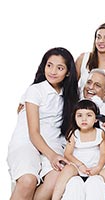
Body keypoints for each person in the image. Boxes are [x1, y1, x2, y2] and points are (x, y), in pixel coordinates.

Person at [7, 47, 79, 200]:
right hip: (27, 141)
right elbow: (33, 132)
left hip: (52, 144)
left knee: (56, 179)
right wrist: (53, 156)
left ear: (67, 72)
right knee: (28, 180)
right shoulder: (35, 91)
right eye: (49, 65)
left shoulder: (69, 96)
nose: (53, 71)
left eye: (59, 68)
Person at [61, 68, 105, 200]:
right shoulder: (73, 107)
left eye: (97, 85)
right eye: (89, 82)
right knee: (72, 183)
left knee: (104, 180)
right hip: (77, 162)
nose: (91, 87)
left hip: (101, 163)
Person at [52, 99, 105, 200]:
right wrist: (80, 165)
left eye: (89, 115)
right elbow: (68, 154)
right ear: (75, 118)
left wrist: (98, 168)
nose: (84, 119)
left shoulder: (100, 133)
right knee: (67, 170)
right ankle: (55, 197)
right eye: (79, 115)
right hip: (78, 166)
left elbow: (103, 154)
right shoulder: (74, 134)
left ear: (96, 119)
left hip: (96, 166)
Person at [76, 22, 105, 103]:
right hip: (83, 109)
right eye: (98, 37)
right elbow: (71, 85)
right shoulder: (83, 58)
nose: (101, 41)